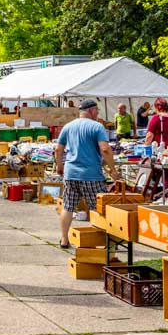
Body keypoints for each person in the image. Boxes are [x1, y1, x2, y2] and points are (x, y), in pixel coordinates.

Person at [55, 100, 120, 248]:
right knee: (98, 208)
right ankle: (102, 242)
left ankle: (64, 240)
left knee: (68, 207)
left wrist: (60, 166)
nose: (98, 113)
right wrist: (113, 170)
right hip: (92, 175)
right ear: (91, 110)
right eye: (97, 110)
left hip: (71, 174)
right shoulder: (97, 127)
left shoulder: (68, 126)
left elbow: (58, 149)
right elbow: (105, 149)